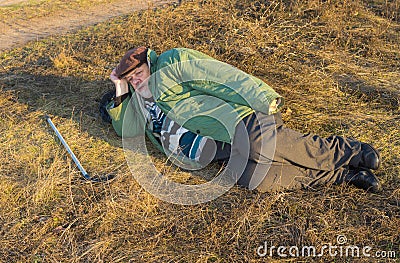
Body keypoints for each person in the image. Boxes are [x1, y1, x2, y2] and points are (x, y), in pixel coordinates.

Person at [102, 46, 381, 193]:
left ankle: (350, 151)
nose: (135, 81)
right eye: (130, 79)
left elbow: (220, 77)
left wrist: (262, 97)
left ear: (148, 63)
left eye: (137, 74)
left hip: (235, 120)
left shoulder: (173, 63)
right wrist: (119, 89)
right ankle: (343, 176)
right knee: (253, 179)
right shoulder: (136, 102)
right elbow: (125, 128)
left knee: (263, 146)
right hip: (213, 149)